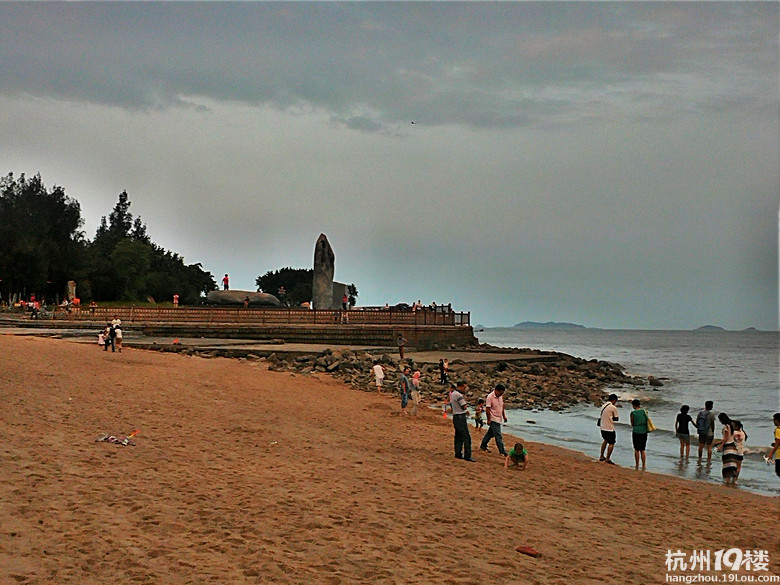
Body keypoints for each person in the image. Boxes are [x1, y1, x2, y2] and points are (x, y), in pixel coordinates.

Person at [480, 383, 508, 456]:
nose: (500, 394)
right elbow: (487, 409)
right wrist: (489, 419)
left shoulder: (500, 397)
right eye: (500, 393)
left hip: (499, 418)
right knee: (498, 435)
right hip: (493, 418)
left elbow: (502, 406)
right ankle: (502, 450)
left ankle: (483, 445)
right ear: (496, 390)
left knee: (490, 434)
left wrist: (504, 416)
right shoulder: (490, 397)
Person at [450, 381, 474, 461]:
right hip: (460, 416)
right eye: (464, 387)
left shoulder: (453, 394)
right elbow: (464, 406)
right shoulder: (459, 395)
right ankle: (467, 455)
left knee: (458, 436)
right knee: (466, 437)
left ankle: (458, 453)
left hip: (455, 416)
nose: (465, 389)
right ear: (460, 386)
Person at [714, 413, 738, 485]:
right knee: (732, 463)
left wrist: (720, 446)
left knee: (727, 463)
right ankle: (733, 480)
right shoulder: (731, 426)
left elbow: (725, 439)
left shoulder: (726, 427)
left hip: (727, 447)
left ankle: (727, 479)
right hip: (732, 446)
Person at [598, 393, 619, 465]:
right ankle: (608, 458)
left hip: (602, 427)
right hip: (609, 427)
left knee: (605, 440)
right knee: (611, 443)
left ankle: (601, 456)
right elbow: (616, 418)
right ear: (614, 400)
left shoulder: (603, 405)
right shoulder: (613, 407)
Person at [629, 399, 649, 470]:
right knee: (642, 449)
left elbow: (632, 423)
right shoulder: (644, 411)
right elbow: (647, 420)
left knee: (636, 449)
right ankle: (644, 465)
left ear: (634, 405)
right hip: (644, 431)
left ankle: (637, 464)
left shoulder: (633, 413)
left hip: (636, 431)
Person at [768, 413, 780, 479]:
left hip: (779, 455)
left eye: (774, 420)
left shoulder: (778, 430)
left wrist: (771, 453)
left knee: (778, 471)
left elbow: (778, 441)